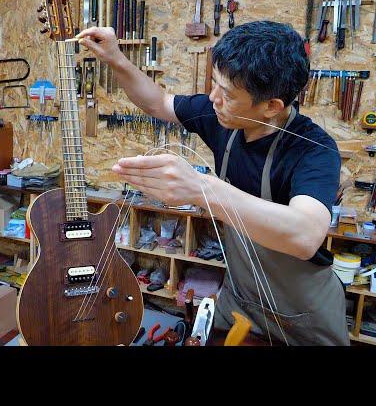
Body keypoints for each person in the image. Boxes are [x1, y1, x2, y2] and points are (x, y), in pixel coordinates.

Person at [76, 20, 349, 346]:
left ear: (271, 107)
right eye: (214, 84)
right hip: (241, 302)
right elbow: (157, 103)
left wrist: (202, 187)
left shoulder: (313, 149)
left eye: (228, 94)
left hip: (303, 315)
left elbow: (304, 234)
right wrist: (115, 58)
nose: (213, 98)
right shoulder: (222, 116)